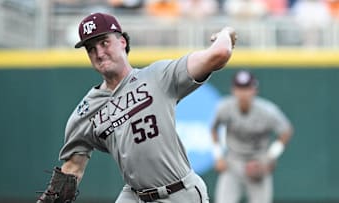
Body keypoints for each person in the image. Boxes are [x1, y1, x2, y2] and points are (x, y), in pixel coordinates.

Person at [36, 12, 237, 203]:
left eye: (104, 42)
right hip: (135, 195)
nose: (99, 52)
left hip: (179, 192)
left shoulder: (158, 76)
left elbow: (219, 53)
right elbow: (73, 168)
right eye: (91, 48)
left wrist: (226, 32)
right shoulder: (86, 111)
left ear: (122, 42)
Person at [211, 70, 293, 203]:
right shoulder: (225, 107)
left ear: (254, 90)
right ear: (233, 90)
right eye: (240, 88)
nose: (243, 93)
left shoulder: (267, 111)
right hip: (233, 162)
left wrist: (271, 156)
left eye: (247, 88)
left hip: (258, 162)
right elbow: (214, 129)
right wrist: (218, 156)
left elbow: (286, 130)